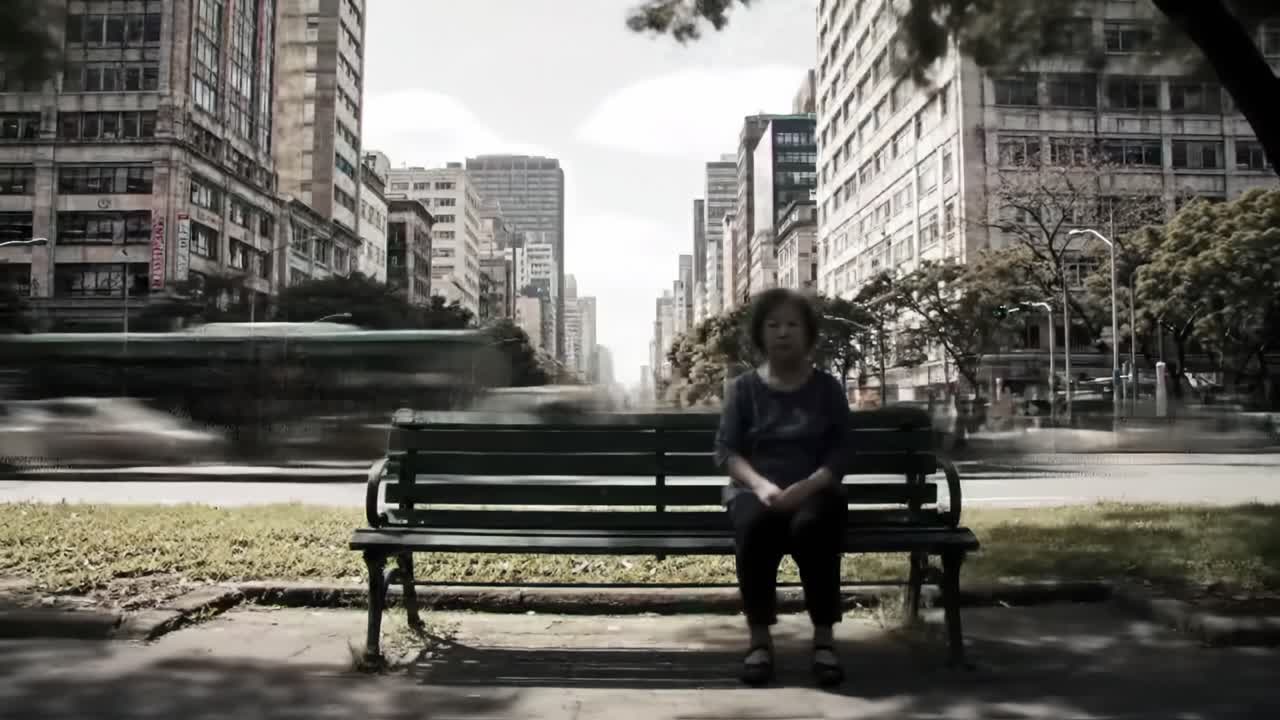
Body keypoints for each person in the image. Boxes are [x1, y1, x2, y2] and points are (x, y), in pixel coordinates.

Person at [713, 287, 852, 687]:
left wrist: (809, 486)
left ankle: (824, 640)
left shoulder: (826, 388)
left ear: (808, 334)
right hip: (756, 492)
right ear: (760, 334)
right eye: (773, 325)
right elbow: (726, 451)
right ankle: (759, 641)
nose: (783, 333)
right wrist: (761, 487)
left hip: (816, 491)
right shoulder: (743, 389)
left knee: (813, 528)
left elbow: (842, 451)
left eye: (792, 324)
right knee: (755, 527)